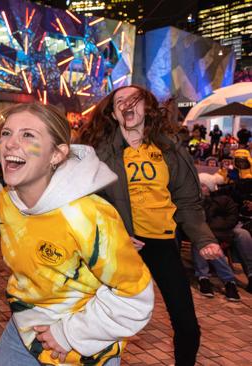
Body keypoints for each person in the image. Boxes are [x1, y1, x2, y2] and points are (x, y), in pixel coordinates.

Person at [0, 103, 154, 365]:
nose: (10, 143)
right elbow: (18, 223)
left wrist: (68, 333)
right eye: (6, 133)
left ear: (56, 155)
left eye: (28, 135)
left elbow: (136, 298)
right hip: (23, 327)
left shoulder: (88, 216)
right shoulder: (8, 196)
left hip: (82, 345)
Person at [80, 85, 224, 366]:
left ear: (147, 107)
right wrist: (114, 233)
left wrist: (204, 239)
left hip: (161, 244)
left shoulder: (169, 148)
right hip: (120, 245)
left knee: (187, 323)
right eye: (119, 101)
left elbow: (187, 200)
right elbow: (87, 201)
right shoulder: (99, 152)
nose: (126, 105)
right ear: (112, 113)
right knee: (96, 315)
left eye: (134, 100)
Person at [193, 173, 243, 301]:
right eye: (199, 185)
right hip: (203, 234)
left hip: (221, 232)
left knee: (207, 243)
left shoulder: (224, 200)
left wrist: (214, 228)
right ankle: (225, 281)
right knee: (203, 242)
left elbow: (232, 217)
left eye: (203, 186)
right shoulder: (195, 201)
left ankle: (209, 278)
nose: (200, 188)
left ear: (209, 187)